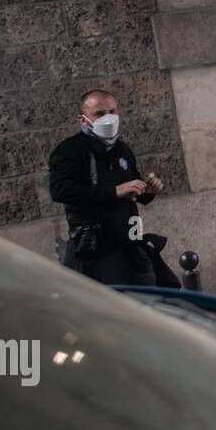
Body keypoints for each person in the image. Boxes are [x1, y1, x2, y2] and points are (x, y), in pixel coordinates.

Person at [49, 89, 165, 286]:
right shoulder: (70, 150)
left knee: (150, 302)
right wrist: (114, 191)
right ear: (83, 120)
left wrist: (148, 191)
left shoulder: (122, 149)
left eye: (112, 112)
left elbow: (132, 192)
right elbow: (59, 190)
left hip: (130, 243)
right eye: (100, 114)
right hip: (95, 249)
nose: (108, 119)